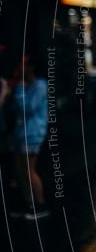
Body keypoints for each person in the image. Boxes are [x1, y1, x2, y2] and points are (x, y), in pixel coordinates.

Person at [10, 55, 49, 220]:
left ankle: (40, 205)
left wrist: (19, 89)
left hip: (32, 134)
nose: (20, 69)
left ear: (31, 67)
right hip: (22, 133)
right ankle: (29, 204)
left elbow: (29, 109)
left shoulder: (39, 86)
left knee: (29, 170)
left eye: (23, 65)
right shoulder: (27, 85)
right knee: (21, 170)